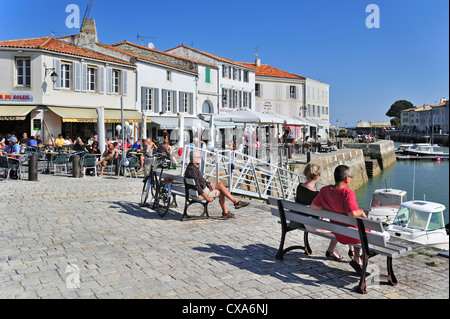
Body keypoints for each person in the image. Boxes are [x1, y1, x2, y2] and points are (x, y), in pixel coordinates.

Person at [311, 165, 368, 275]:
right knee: (376, 235)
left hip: (339, 234)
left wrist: (326, 206)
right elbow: (352, 214)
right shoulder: (348, 193)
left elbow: (313, 207)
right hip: (353, 236)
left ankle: (357, 258)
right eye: (350, 177)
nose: (350, 179)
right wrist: (361, 212)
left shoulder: (324, 190)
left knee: (357, 231)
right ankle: (357, 258)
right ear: (347, 178)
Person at [296, 163, 342, 261]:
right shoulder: (316, 194)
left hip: (301, 220)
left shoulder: (299, 187)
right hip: (313, 224)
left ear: (305, 173)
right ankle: (331, 251)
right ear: (318, 175)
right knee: (340, 228)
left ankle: (339, 251)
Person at [185, 150, 249, 218]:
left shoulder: (191, 167)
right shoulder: (193, 170)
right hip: (201, 193)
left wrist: (208, 185)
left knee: (220, 185)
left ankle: (234, 204)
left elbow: (201, 180)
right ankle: (230, 208)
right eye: (199, 157)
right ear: (194, 159)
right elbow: (197, 186)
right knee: (220, 190)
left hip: (198, 190)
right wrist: (207, 198)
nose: (201, 158)